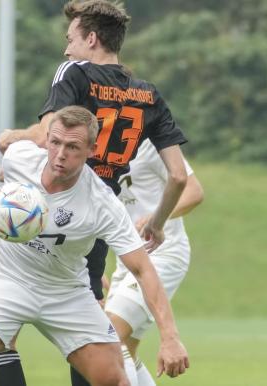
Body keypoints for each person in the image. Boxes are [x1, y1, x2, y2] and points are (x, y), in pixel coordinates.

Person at [0, 2, 189, 385]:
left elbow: (47, 133)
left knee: (2, 329)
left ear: (91, 39)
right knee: (88, 334)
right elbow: (179, 176)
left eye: (71, 39)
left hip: (51, 203)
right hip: (96, 220)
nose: (67, 49)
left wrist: (10, 138)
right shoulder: (148, 95)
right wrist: (158, 223)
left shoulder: (75, 72)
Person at [0, 106, 189, 386]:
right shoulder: (20, 158)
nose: (61, 153)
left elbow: (143, 269)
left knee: (115, 380)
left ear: (91, 149)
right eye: (55, 142)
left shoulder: (102, 203)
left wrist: (170, 337)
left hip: (66, 292)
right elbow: (7, 146)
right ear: (47, 140)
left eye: (73, 146)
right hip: (7, 279)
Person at [105, 139, 203, 385]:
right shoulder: (98, 148)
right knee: (123, 349)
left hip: (163, 252)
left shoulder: (148, 145)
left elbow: (194, 191)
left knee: (105, 339)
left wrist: (157, 218)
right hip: (127, 259)